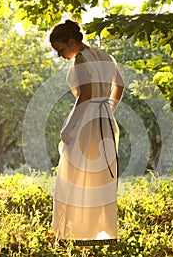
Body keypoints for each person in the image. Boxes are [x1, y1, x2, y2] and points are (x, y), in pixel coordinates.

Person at [49, 20, 124, 245]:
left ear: (72, 42)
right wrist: (108, 109)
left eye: (61, 49)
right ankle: (101, 232)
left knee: (74, 174)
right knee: (99, 176)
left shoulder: (81, 59)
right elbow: (119, 85)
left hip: (87, 122)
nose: (60, 56)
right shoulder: (105, 56)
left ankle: (74, 231)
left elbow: (86, 94)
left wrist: (68, 128)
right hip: (106, 121)